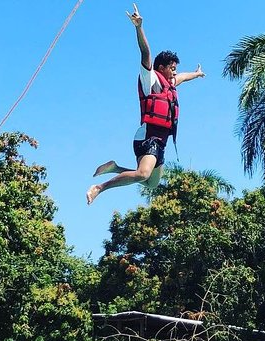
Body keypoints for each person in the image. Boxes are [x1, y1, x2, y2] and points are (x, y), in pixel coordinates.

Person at [86, 3, 205, 205]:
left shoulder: (170, 83)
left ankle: (115, 168)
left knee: (151, 183)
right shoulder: (150, 79)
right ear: (161, 67)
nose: (175, 72)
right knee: (143, 174)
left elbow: (183, 77)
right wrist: (139, 27)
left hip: (161, 141)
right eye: (172, 68)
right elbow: (145, 53)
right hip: (148, 136)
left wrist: (197, 73)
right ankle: (100, 188)